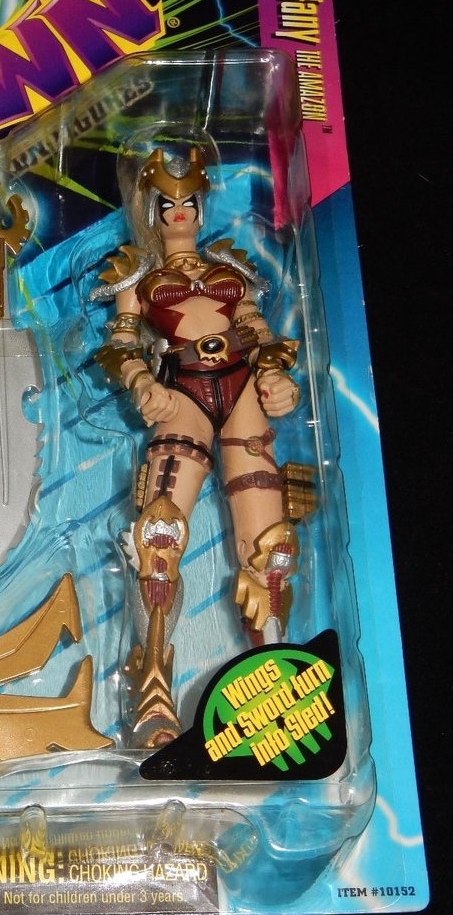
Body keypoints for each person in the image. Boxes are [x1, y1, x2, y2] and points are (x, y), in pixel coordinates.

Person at [92, 144, 310, 749]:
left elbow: (258, 333)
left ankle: (277, 683)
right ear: (151, 208)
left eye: (190, 200)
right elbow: (120, 342)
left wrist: (277, 376)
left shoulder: (230, 266)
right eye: (168, 203)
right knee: (159, 538)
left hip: (242, 389)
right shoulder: (135, 274)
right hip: (182, 391)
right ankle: (153, 695)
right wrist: (141, 383)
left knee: (270, 547)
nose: (181, 212)